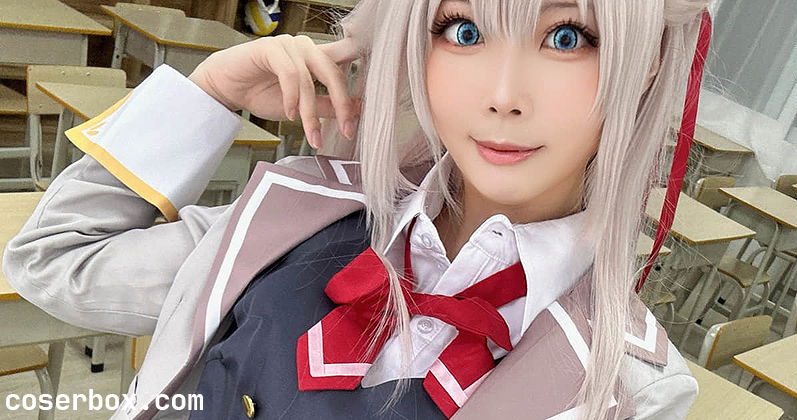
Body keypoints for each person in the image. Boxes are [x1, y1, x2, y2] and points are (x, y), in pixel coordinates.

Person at [3, 0, 711, 418]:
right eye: (463, 30)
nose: (503, 95)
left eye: (567, 37)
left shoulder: (634, 388)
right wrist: (207, 94)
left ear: (647, 58)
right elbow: (55, 261)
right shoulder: (292, 217)